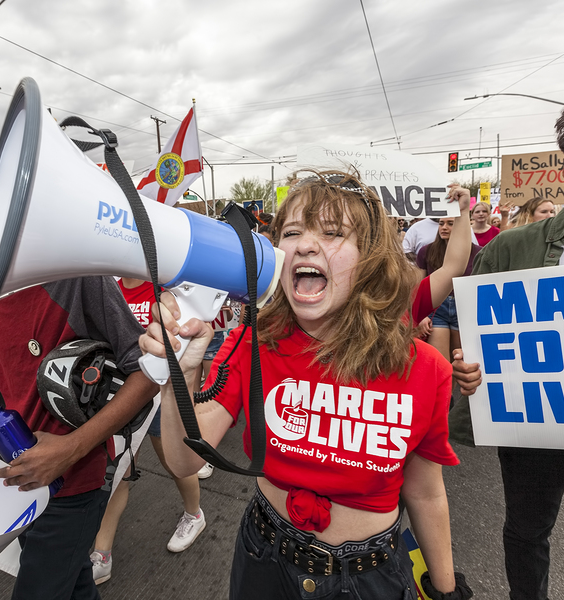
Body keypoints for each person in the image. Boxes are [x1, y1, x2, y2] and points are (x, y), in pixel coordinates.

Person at [141, 171, 469, 600]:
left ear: (370, 257)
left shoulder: (426, 369)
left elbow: (425, 493)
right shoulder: (252, 342)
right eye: (292, 232)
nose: (306, 244)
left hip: (369, 579)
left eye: (333, 233)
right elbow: (185, 462)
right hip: (264, 559)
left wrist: (444, 591)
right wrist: (180, 378)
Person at [451, 81, 564, 600]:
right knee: (526, 534)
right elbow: (478, 329)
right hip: (535, 431)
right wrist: (470, 365)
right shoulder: (514, 247)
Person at [0, 161, 158, 600]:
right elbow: (0, 384)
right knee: (75, 585)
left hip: (74, 485)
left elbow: (147, 374)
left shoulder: (76, 276)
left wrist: (69, 449)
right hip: (23, 478)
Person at [90, 277, 207, 585]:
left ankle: (193, 514)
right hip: (123, 393)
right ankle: (102, 553)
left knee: (173, 459)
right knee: (120, 469)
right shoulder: (109, 286)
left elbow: (183, 343)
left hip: (158, 395)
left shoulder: (164, 289)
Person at [415, 217, 479, 360]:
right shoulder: (426, 251)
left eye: (450, 224)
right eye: (441, 223)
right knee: (440, 361)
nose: (444, 227)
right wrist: (421, 314)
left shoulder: (478, 253)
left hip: (464, 307)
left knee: (460, 359)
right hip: (437, 308)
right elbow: (419, 285)